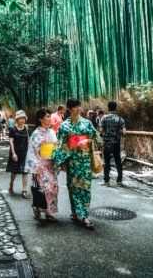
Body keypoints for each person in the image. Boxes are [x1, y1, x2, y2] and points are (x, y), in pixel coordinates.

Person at [53, 98, 99, 230]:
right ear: (69, 109)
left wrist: (87, 142)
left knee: (85, 188)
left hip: (84, 160)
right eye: (75, 107)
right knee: (73, 187)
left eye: (79, 106)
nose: (79, 109)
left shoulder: (87, 123)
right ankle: (74, 212)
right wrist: (70, 151)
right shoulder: (64, 126)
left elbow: (96, 138)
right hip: (72, 161)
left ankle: (84, 215)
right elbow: (60, 145)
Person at [25, 108, 59, 222]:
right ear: (40, 119)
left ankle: (49, 212)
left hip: (51, 165)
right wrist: (34, 169)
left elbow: (56, 148)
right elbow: (32, 151)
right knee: (44, 189)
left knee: (54, 188)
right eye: (47, 117)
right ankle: (38, 208)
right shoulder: (36, 134)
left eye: (50, 116)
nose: (50, 119)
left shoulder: (52, 132)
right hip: (40, 165)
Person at [99, 101, 126, 187]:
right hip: (116, 143)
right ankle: (119, 181)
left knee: (106, 162)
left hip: (106, 143)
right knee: (118, 161)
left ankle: (106, 181)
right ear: (115, 108)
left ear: (108, 108)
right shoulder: (120, 119)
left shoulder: (103, 118)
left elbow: (100, 131)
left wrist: (105, 133)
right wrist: (118, 131)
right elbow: (124, 132)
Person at [6, 110, 30, 198]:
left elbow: (28, 140)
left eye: (23, 118)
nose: (22, 120)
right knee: (14, 171)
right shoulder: (13, 128)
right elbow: (11, 142)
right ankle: (11, 184)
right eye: (20, 118)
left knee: (25, 171)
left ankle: (24, 190)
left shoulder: (26, 128)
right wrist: (13, 154)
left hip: (24, 153)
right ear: (17, 119)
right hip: (15, 152)